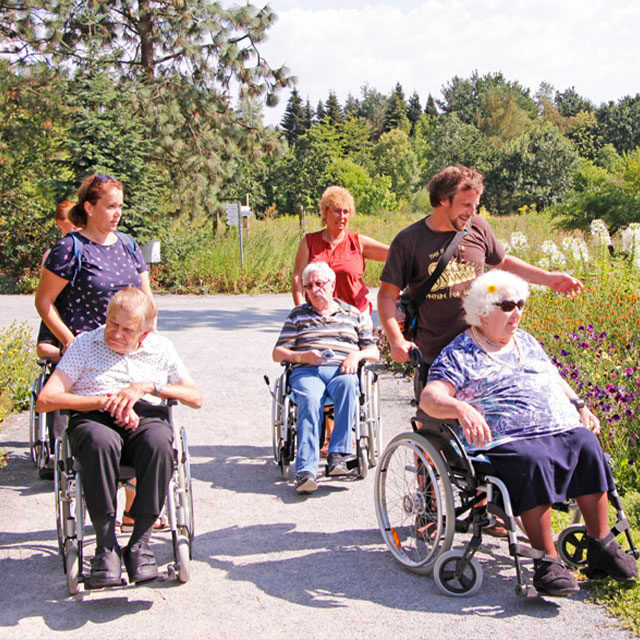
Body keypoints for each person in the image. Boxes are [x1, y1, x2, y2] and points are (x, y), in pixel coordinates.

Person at [420, 270, 638, 596]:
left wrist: (579, 405)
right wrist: (461, 409)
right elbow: (429, 397)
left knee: (587, 444)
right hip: (505, 439)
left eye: (520, 303)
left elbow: (552, 376)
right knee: (531, 459)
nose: (517, 312)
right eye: (506, 305)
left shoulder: (526, 340)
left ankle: (600, 544)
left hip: (556, 427)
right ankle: (547, 559)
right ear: (481, 310)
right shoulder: (460, 352)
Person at [36, 288, 202, 588]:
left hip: (145, 415)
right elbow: (46, 399)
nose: (116, 333)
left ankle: (140, 543)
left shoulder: (161, 347)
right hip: (95, 413)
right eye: (112, 323)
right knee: (99, 442)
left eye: (128, 329)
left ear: (146, 332)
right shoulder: (85, 344)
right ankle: (106, 545)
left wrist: (149, 387)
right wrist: (104, 401)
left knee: (159, 443)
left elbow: (195, 397)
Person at [378, 165, 584, 401]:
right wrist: (396, 340)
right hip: (436, 353)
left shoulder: (478, 227)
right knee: (438, 421)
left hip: (482, 348)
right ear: (443, 200)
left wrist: (549, 279)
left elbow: (502, 262)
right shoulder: (409, 241)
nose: (472, 212)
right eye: (466, 205)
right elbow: (386, 294)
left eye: (475, 205)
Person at [273, 261, 379, 494]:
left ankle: (339, 456)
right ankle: (306, 471)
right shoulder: (298, 315)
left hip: (342, 369)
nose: (314, 289)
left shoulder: (352, 314)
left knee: (350, 385)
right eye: (309, 286)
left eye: (319, 284)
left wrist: (356, 355)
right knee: (310, 400)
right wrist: (302, 357)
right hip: (307, 371)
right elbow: (277, 353)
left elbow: (374, 352)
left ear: (332, 285)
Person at [35, 174, 152, 354]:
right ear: (89, 208)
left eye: (120, 206)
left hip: (130, 353)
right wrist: (70, 342)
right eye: (111, 206)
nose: (118, 213)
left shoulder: (128, 244)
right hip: (88, 356)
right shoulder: (70, 248)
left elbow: (148, 300)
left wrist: (149, 337)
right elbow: (43, 301)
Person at [292, 185, 389, 313]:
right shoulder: (309, 242)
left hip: (355, 314)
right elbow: (297, 278)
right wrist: (300, 311)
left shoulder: (358, 242)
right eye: (336, 211)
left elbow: (395, 254)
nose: (342, 216)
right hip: (319, 315)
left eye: (346, 212)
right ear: (325, 212)